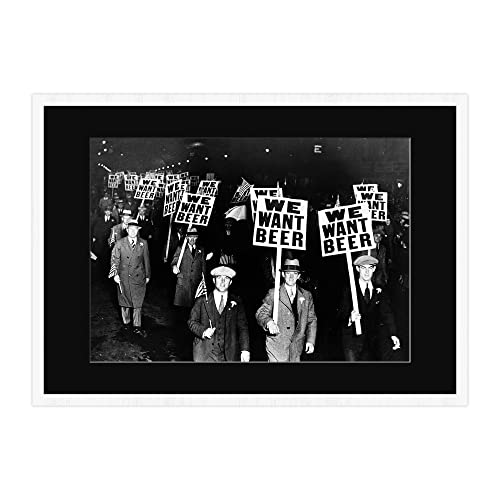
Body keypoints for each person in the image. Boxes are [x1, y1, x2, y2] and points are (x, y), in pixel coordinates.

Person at [338, 255, 400, 361]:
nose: (367, 272)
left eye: (370, 268)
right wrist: (350, 319)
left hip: (372, 343)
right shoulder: (349, 291)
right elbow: (340, 315)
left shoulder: (379, 290)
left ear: (374, 269)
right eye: (363, 268)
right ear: (357, 269)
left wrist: (393, 334)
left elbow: (387, 313)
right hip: (352, 342)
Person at [255, 258, 317, 362]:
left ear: (299, 276)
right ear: (283, 274)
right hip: (276, 347)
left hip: (296, 348)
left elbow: (311, 320)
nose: (291, 277)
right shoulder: (274, 293)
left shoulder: (307, 295)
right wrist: (269, 322)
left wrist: (310, 340)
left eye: (295, 273)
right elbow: (260, 313)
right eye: (288, 273)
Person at [188, 266, 250, 362]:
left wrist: (245, 350)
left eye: (226, 278)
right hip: (204, 353)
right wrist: (203, 331)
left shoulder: (237, 302)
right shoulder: (202, 300)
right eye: (219, 278)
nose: (222, 281)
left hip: (229, 354)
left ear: (230, 282)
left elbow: (243, 328)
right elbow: (191, 322)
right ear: (214, 280)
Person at [109, 219, 151, 337]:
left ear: (138, 230)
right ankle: (126, 323)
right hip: (124, 277)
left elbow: (146, 260)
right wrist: (115, 274)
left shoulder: (143, 243)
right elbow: (114, 259)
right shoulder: (120, 243)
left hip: (139, 277)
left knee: (138, 303)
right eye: (130, 229)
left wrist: (148, 275)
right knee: (125, 302)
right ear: (127, 230)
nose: (133, 231)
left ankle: (137, 326)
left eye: (135, 229)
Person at [171, 227, 206, 308]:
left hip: (196, 284)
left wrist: (204, 281)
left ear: (197, 237)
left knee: (194, 308)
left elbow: (203, 266)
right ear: (187, 237)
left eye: (194, 237)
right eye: (190, 236)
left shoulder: (201, 250)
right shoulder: (181, 248)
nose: (192, 239)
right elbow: (174, 261)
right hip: (183, 283)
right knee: (181, 308)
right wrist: (174, 267)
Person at [91, 204, 116, 281]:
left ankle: (104, 275)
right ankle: (97, 274)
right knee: (97, 257)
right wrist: (94, 237)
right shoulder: (99, 219)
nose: (108, 212)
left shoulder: (113, 220)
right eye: (107, 211)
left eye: (110, 211)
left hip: (107, 243)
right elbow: (95, 229)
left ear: (111, 212)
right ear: (105, 211)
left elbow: (114, 231)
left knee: (105, 258)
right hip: (99, 241)